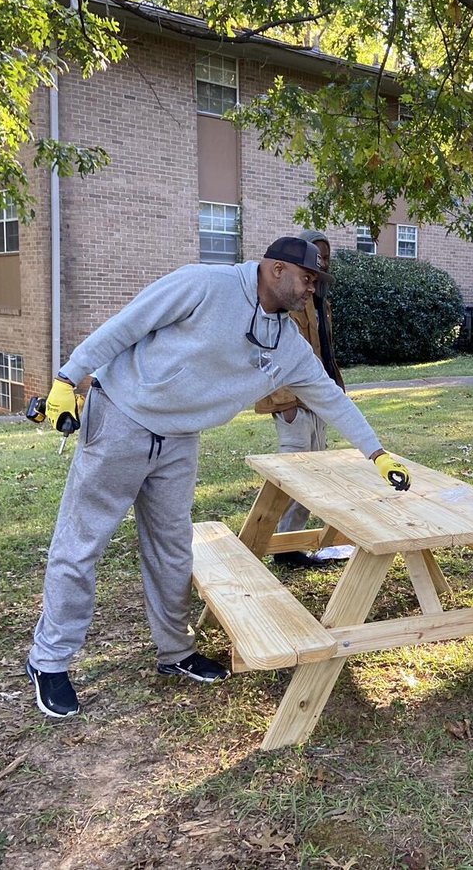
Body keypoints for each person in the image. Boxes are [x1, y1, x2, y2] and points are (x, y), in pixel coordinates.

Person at [26, 236, 411, 719]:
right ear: (275, 270)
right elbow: (126, 326)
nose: (311, 290)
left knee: (172, 546)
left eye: (316, 283)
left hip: (180, 437)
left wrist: (376, 453)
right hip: (122, 415)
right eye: (307, 279)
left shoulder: (286, 342)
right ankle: (50, 660)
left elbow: (331, 397)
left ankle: (175, 651)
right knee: (82, 543)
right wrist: (67, 378)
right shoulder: (203, 285)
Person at [254, 230, 347, 569]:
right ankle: (282, 546)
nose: (321, 262)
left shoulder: (320, 302)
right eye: (315, 255)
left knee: (317, 476)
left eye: (325, 256)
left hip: (319, 399)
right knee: (293, 480)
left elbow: (324, 353)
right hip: (292, 403)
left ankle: (290, 543)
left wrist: (335, 387)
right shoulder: (288, 300)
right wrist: (286, 403)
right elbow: (271, 354)